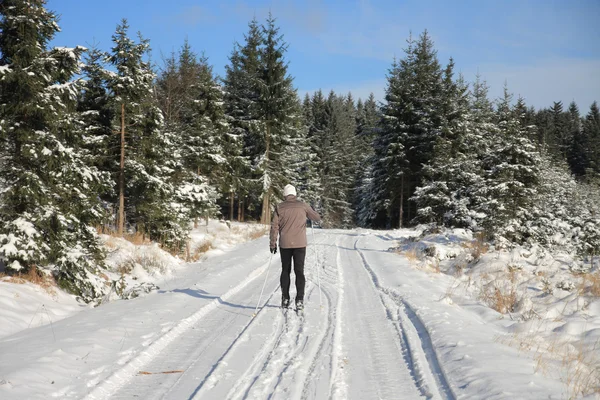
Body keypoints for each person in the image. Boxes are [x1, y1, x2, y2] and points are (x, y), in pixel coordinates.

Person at [270, 184, 321, 311]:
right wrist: (312, 211)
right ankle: (299, 300)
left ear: (285, 194)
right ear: (295, 194)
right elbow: (317, 218)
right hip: (300, 244)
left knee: (285, 271)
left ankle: (285, 298)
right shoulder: (303, 205)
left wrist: (272, 243)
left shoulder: (279, 207)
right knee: (299, 271)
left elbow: (274, 227)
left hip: (285, 244)